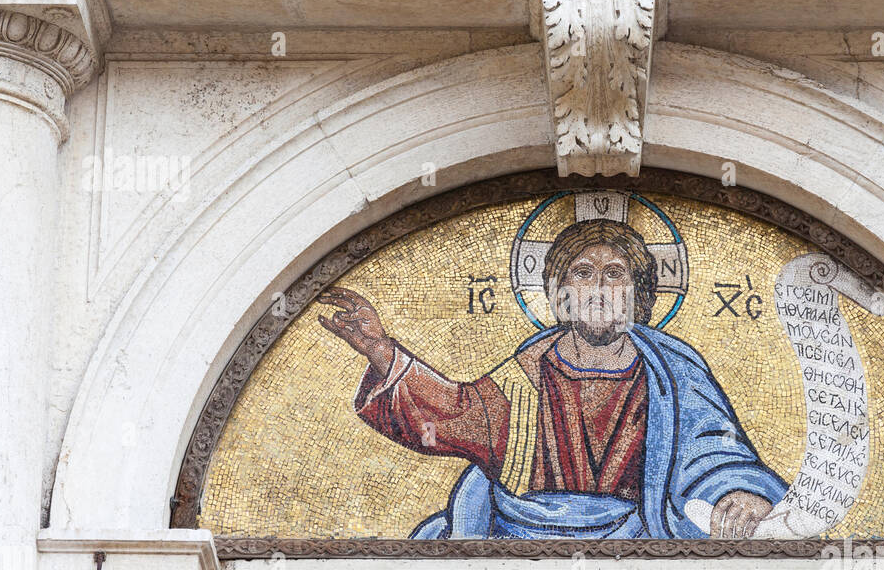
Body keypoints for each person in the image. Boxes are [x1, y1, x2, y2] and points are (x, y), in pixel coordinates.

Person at [317, 218, 786, 539]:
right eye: (582, 274)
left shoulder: (672, 373)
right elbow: (450, 415)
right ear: (559, 296)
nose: (599, 289)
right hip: (520, 540)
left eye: (615, 275)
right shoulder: (528, 375)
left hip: (641, 545)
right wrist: (380, 350)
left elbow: (714, 451)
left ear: (639, 296)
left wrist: (739, 493)